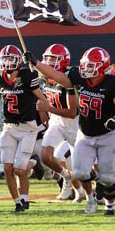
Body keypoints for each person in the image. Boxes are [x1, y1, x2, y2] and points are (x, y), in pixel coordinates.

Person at [28, 46, 115, 216]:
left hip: (107, 134)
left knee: (108, 178)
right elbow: (57, 76)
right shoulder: (77, 77)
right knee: (80, 172)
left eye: (92, 66)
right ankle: (91, 194)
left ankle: (109, 205)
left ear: (103, 66)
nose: (86, 69)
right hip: (85, 132)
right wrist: (36, 63)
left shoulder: (114, 83)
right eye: (85, 65)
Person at [0, 44, 49, 213]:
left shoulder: (28, 76)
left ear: (18, 62)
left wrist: (44, 110)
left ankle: (31, 169)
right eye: (5, 59)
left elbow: (42, 99)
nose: (8, 63)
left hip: (27, 128)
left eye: (11, 59)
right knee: (7, 168)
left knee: (19, 169)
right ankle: (18, 202)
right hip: (8, 127)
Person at [37, 44, 82, 201]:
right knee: (45, 156)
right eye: (47, 58)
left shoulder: (69, 79)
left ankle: (96, 191)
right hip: (56, 121)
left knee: (81, 166)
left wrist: (48, 108)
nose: (49, 62)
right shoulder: (45, 77)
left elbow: (71, 112)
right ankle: (66, 177)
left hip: (73, 124)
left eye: (53, 59)